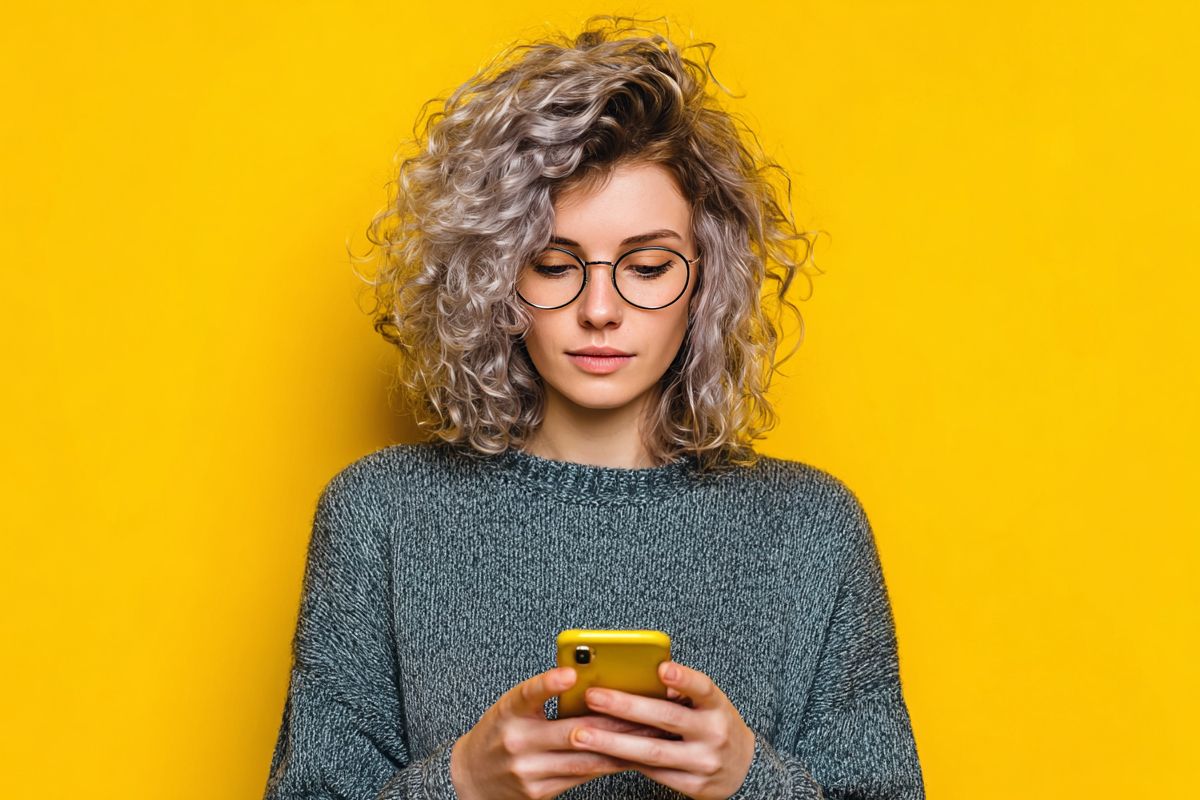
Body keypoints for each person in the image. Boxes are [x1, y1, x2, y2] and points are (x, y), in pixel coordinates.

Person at [262, 15, 925, 800]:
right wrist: (463, 781)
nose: (600, 310)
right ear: (494, 277)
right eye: (553, 265)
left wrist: (749, 779)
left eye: (647, 267)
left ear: (707, 280)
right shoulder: (381, 515)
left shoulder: (813, 531)